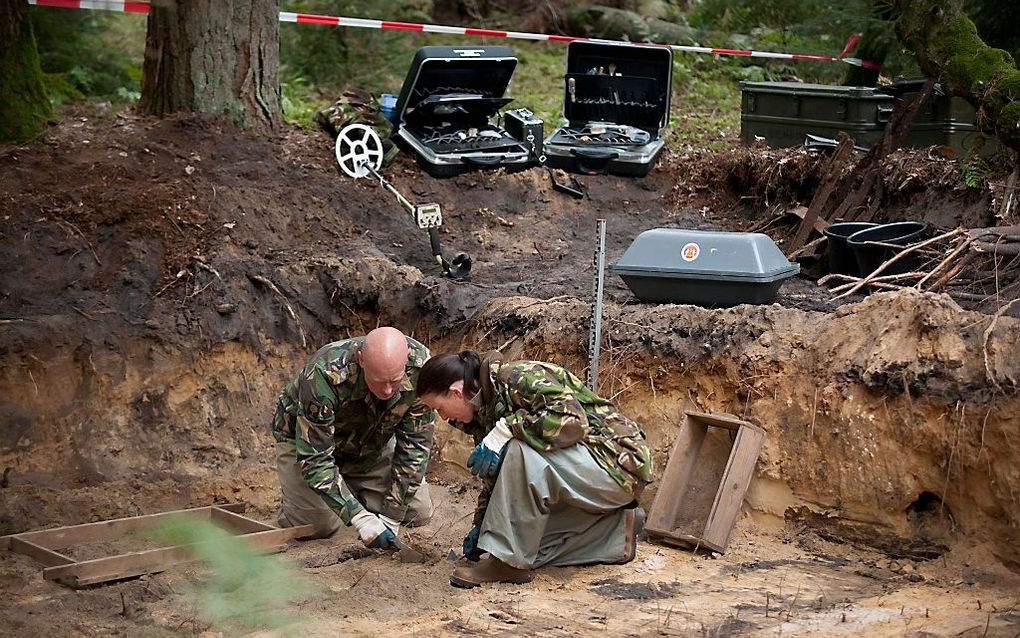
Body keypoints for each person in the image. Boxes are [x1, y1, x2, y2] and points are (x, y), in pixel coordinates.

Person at [416, 349, 653, 588]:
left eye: (439, 408)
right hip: (587, 475)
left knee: (518, 449)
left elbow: (572, 422)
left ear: (455, 393)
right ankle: (617, 532)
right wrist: (483, 524)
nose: (442, 417)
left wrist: (506, 429)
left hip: (615, 465)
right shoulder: (484, 411)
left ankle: (508, 565)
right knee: (524, 541)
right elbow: (499, 479)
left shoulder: (516, 377)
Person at [270, 327, 436, 549]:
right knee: (319, 526)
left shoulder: (422, 367)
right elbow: (315, 459)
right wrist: (359, 517)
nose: (387, 391)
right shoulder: (324, 372)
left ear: (406, 360)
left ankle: (350, 487)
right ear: (361, 360)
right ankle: (308, 498)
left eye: (394, 380)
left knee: (417, 511)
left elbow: (415, 445)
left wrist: (392, 515)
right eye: (379, 381)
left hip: (370, 442)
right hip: (307, 444)